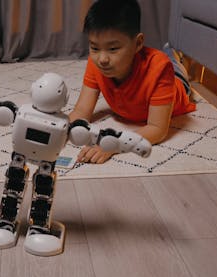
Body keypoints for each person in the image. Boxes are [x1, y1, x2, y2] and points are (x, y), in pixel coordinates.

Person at [69, 0, 196, 164]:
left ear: (138, 43)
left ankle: (173, 53)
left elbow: (157, 129)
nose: (102, 59)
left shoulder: (159, 69)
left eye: (113, 49)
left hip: (177, 85)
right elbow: (81, 111)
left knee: (173, 65)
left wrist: (114, 144)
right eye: (95, 48)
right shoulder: (96, 63)